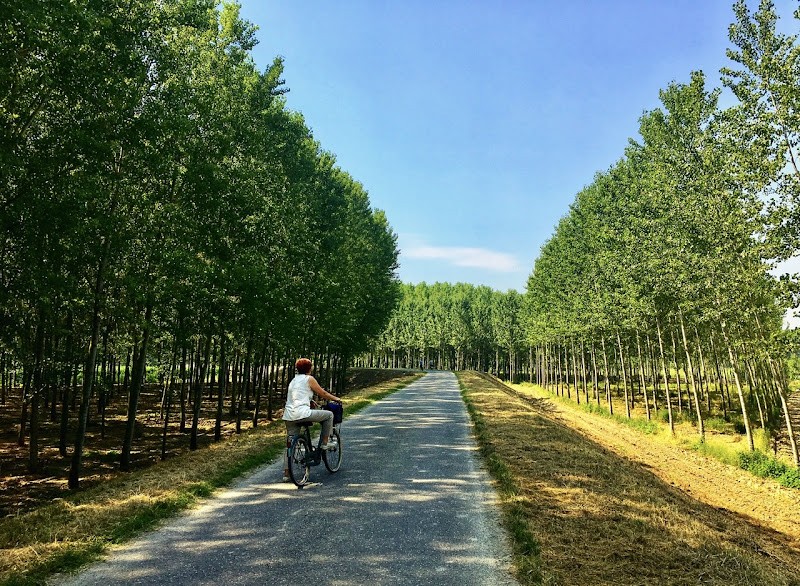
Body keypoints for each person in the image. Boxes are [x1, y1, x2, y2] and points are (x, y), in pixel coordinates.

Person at [282, 358, 342, 482]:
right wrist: (336, 399)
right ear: (309, 369)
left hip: (289, 415)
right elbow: (323, 393)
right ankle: (325, 442)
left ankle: (286, 474)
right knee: (329, 415)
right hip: (302, 413)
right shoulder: (309, 379)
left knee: (290, 442)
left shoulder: (293, 380)